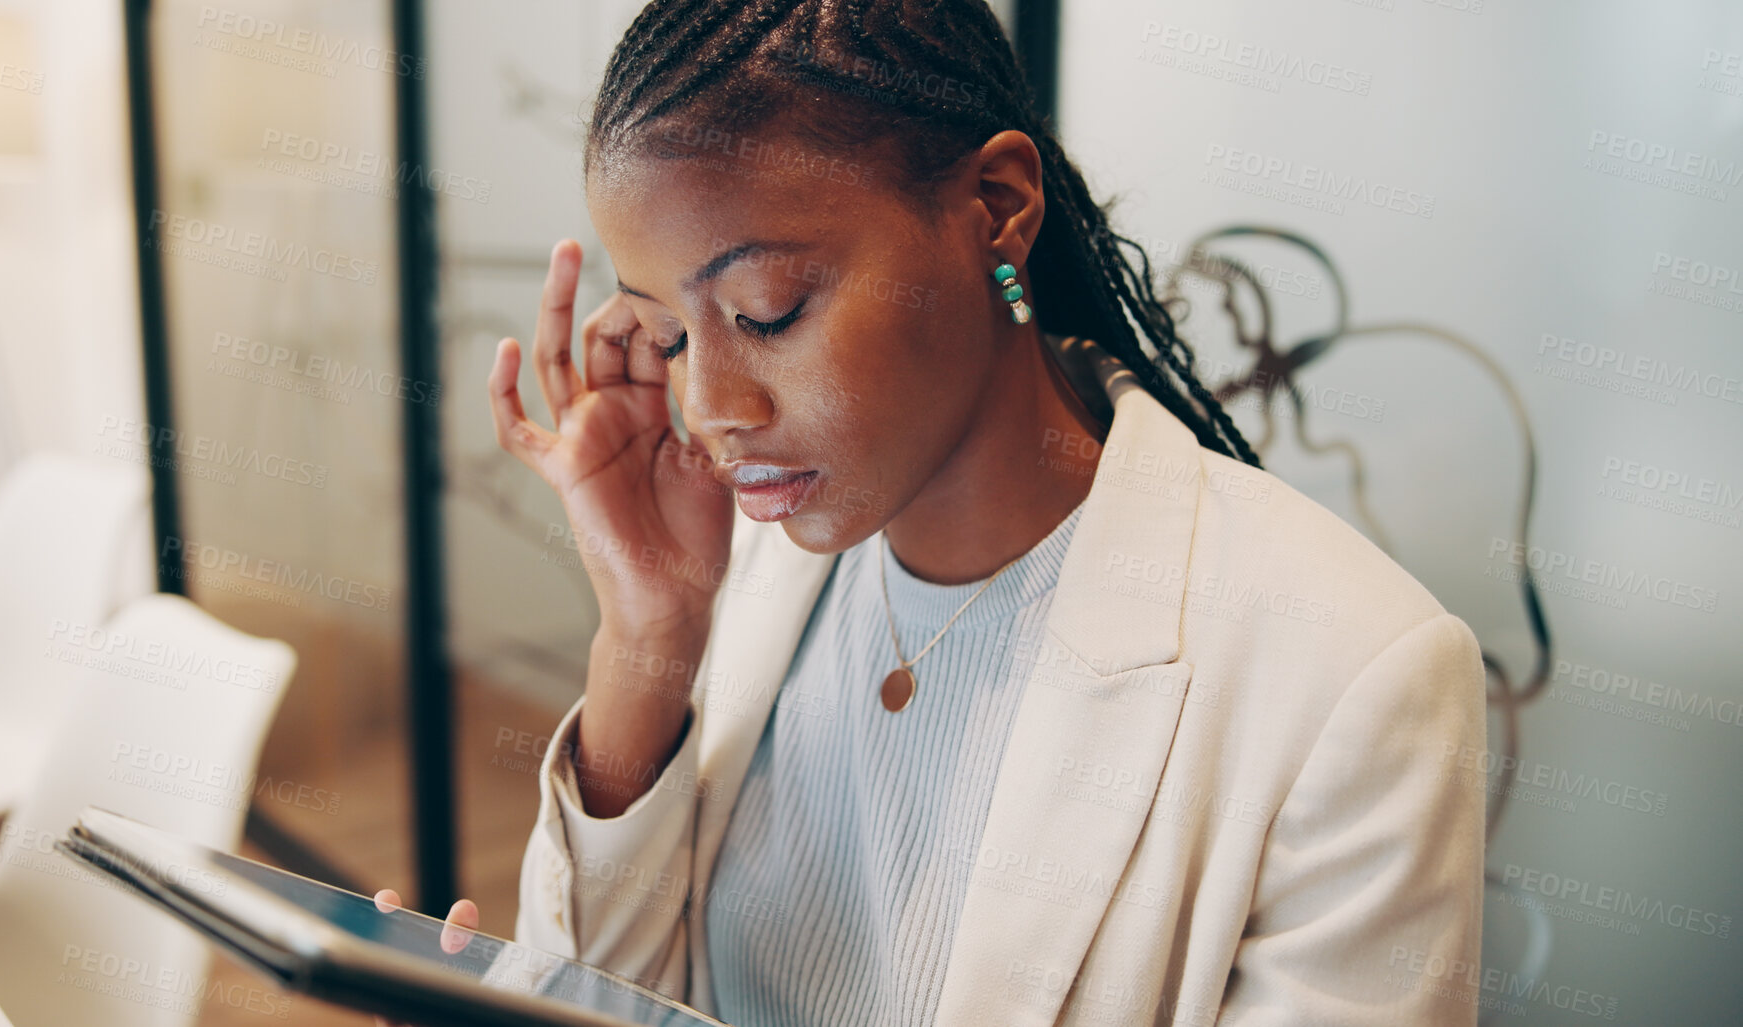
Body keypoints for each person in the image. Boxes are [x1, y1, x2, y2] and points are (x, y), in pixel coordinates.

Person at [380, 2, 1488, 1024]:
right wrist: (647, 630)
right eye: (667, 337)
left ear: (996, 211)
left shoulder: (1352, 676)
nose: (713, 409)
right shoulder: (748, 578)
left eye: (768, 313)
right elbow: (617, 992)